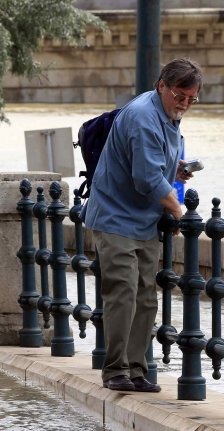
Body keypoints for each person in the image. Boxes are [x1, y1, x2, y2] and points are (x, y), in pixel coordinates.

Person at [83, 58, 202, 392]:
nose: (185, 104)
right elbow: (147, 178)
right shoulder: (142, 117)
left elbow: (153, 165)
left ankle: (136, 369)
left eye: (192, 99)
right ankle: (115, 371)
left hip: (143, 220)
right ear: (162, 85)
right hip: (114, 217)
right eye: (180, 95)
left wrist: (175, 170)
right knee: (122, 293)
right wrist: (179, 211)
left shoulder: (168, 116)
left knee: (146, 297)